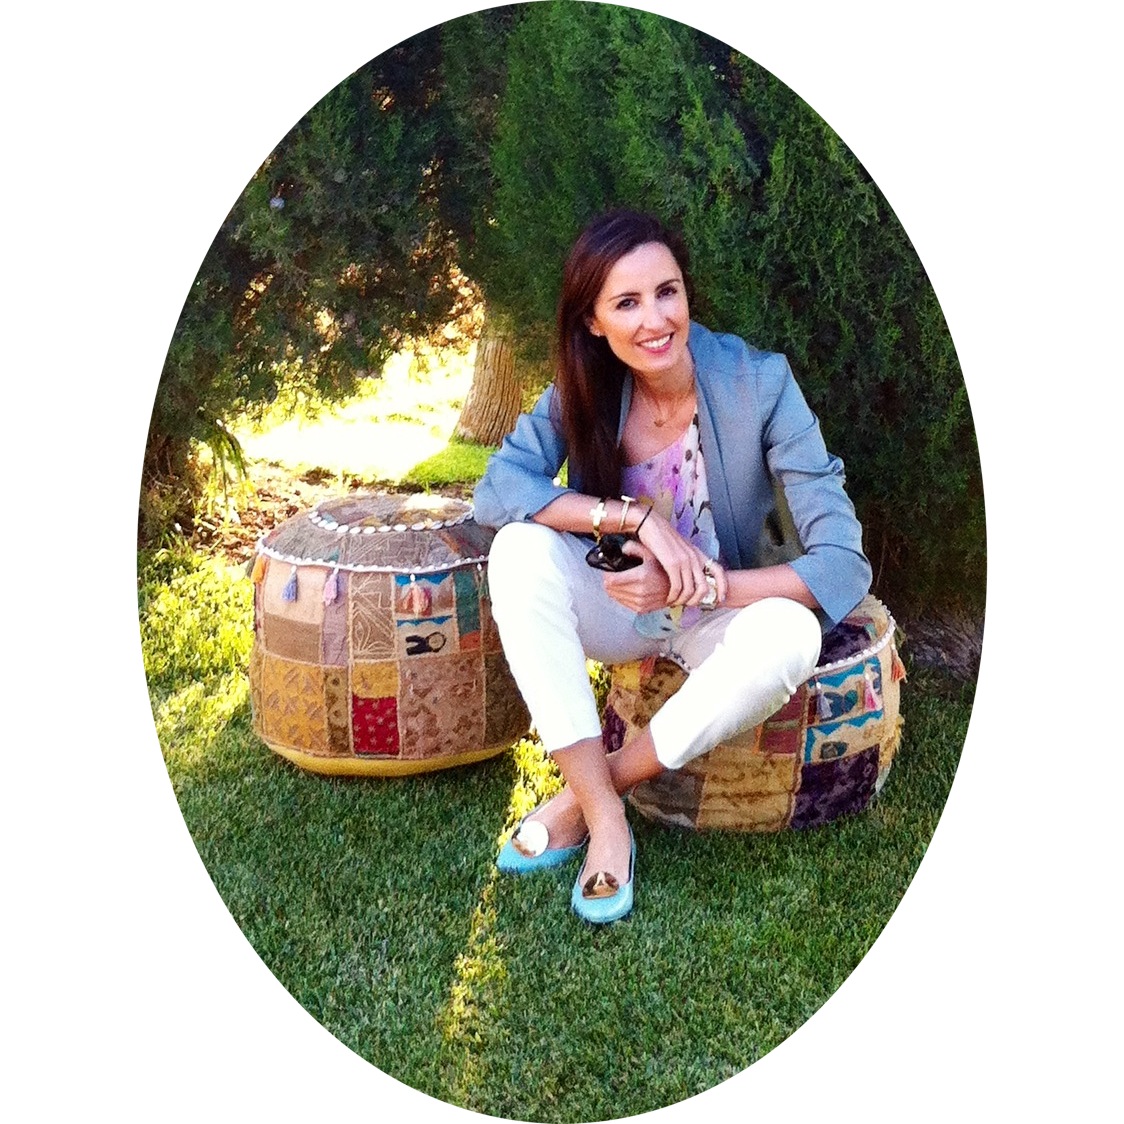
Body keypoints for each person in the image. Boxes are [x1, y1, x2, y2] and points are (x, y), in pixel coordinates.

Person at [472, 210, 871, 924]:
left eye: (667, 292)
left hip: (720, 615)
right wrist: (634, 517)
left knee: (791, 635)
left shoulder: (761, 384)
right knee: (518, 550)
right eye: (626, 303)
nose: (655, 320)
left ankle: (592, 795)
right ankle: (609, 824)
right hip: (620, 607)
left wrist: (699, 585)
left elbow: (843, 564)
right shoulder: (586, 384)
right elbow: (499, 488)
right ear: (593, 321)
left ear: (687, 292)